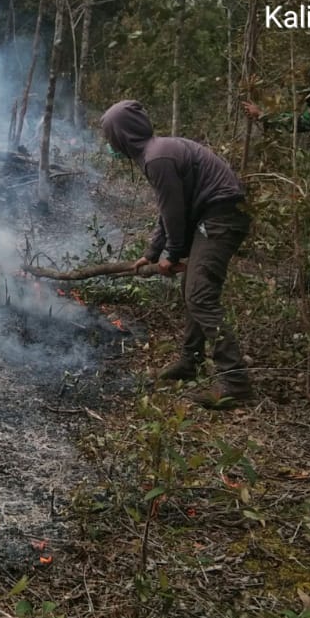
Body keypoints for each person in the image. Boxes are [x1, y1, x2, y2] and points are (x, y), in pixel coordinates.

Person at [100, 99, 253, 409]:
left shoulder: (157, 158)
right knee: (191, 290)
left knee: (200, 296)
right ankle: (190, 361)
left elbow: (174, 212)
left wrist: (173, 252)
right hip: (211, 217)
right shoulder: (157, 151)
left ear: (122, 135)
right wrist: (152, 253)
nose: (109, 143)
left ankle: (236, 383)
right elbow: (167, 210)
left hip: (221, 217)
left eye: (110, 135)